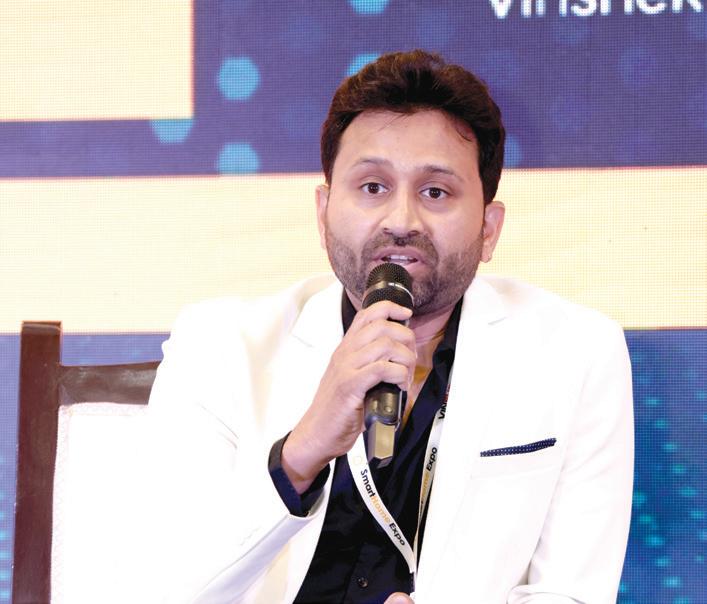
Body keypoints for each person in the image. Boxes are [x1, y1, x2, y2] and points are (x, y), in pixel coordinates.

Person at [147, 50, 634, 603]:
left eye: (435, 192)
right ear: (323, 213)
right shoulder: (218, 348)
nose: (401, 221)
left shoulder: (576, 353)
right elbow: (169, 590)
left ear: (489, 228)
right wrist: (302, 451)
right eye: (373, 187)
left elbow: (572, 593)